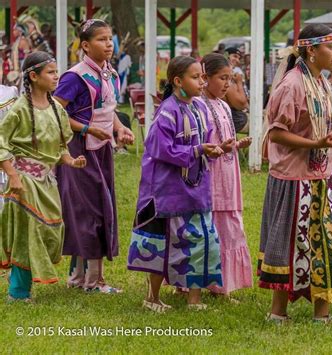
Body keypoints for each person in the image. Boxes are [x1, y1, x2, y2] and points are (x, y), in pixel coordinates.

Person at [259, 24, 332, 324]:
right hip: (293, 180)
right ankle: (278, 313)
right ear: (311, 50)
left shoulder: (322, 82)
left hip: (321, 177)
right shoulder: (292, 84)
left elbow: (320, 129)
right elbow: (276, 134)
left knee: (326, 245)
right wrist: (316, 143)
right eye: (331, 47)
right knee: (290, 245)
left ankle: (322, 313)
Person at [127, 56, 227, 312]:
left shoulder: (200, 108)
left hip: (197, 187)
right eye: (196, 77)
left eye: (203, 76)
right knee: (161, 244)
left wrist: (214, 149)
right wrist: (197, 150)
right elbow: (160, 148)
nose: (202, 82)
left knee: (203, 241)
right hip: (167, 190)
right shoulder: (167, 111)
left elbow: (203, 143)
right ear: (178, 81)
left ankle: (194, 299)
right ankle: (152, 298)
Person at [54, 19, 134, 294]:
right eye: (101, 39)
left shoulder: (109, 74)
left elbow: (107, 110)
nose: (108, 44)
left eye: (109, 38)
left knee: (102, 205)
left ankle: (82, 278)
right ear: (85, 46)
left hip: (101, 148)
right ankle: (91, 281)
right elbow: (55, 113)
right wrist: (88, 129)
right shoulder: (74, 77)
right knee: (88, 211)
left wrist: (121, 129)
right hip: (78, 151)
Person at [0, 51, 86, 302]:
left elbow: (60, 147)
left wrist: (71, 160)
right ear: (34, 76)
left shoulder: (56, 109)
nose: (56, 75)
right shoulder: (19, 109)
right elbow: (1, 141)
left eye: (56, 71)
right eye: (50, 72)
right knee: (29, 233)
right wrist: (12, 175)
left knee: (52, 231)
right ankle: (18, 292)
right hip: (24, 182)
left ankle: (20, 284)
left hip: (47, 182)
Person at [200, 53, 253, 299]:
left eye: (229, 80)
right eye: (222, 78)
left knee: (230, 228)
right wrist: (220, 147)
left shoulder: (223, 105)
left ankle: (225, 283)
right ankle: (212, 284)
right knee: (214, 229)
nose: (226, 85)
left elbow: (223, 140)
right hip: (210, 178)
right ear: (205, 77)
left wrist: (235, 146)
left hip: (228, 175)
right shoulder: (198, 106)